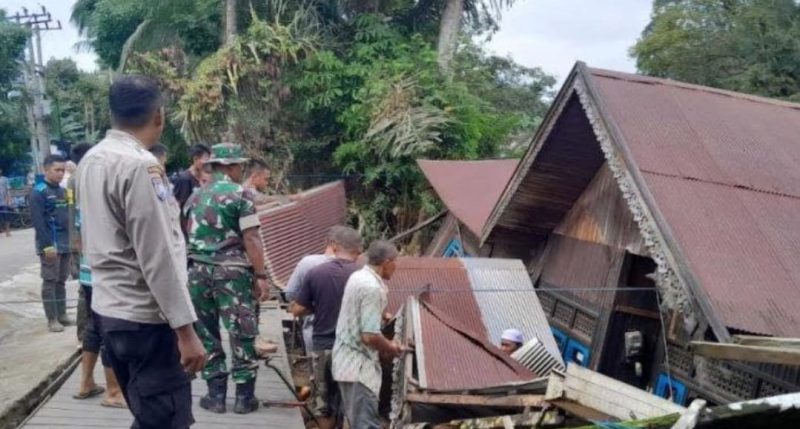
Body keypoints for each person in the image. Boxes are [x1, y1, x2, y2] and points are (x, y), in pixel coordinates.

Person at [76, 75, 206, 429]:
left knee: (149, 416)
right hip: (146, 319)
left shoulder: (92, 160)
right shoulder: (140, 166)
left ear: (112, 113)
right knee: (166, 420)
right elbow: (158, 255)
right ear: (159, 116)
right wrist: (187, 333)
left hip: (110, 313)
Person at [184, 142, 269, 415]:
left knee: (207, 333)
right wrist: (260, 275)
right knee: (241, 332)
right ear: (231, 166)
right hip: (232, 273)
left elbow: (184, 233)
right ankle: (244, 398)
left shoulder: (195, 196)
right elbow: (252, 237)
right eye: (239, 165)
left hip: (197, 272)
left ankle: (216, 396)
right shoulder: (242, 195)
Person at [69, 142, 126, 408]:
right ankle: (113, 391)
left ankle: (86, 382)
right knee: (108, 331)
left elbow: (77, 238)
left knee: (94, 328)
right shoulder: (101, 191)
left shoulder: (80, 190)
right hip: (104, 275)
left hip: (87, 272)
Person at [291, 227, 363, 429]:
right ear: (358, 250)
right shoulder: (364, 277)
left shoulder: (316, 272)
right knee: (349, 403)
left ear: (334, 246)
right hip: (353, 350)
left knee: (322, 404)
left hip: (323, 347)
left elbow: (297, 309)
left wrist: (319, 306)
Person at [332, 240, 406, 429]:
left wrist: (382, 314)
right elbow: (370, 336)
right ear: (387, 262)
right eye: (395, 262)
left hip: (345, 363)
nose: (395, 267)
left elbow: (358, 308)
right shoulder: (372, 288)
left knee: (355, 422)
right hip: (359, 369)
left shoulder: (358, 276)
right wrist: (392, 347)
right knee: (366, 425)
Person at [30, 154, 73, 332]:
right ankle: (52, 319)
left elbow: (70, 217)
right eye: (57, 170)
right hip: (50, 245)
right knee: (50, 281)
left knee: (61, 281)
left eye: (63, 170)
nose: (60, 174)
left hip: (65, 243)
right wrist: (47, 246)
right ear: (45, 170)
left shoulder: (64, 192)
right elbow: (38, 223)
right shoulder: (38, 192)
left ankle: (62, 314)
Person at [172, 143, 210, 209]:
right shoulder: (184, 179)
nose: (209, 162)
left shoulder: (207, 175)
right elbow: (180, 206)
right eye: (206, 159)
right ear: (195, 159)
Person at [0, 167, 11, 237]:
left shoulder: (5, 179)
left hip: (4, 201)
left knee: (6, 216)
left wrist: (8, 199)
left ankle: (8, 231)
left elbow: (8, 190)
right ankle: (1, 230)